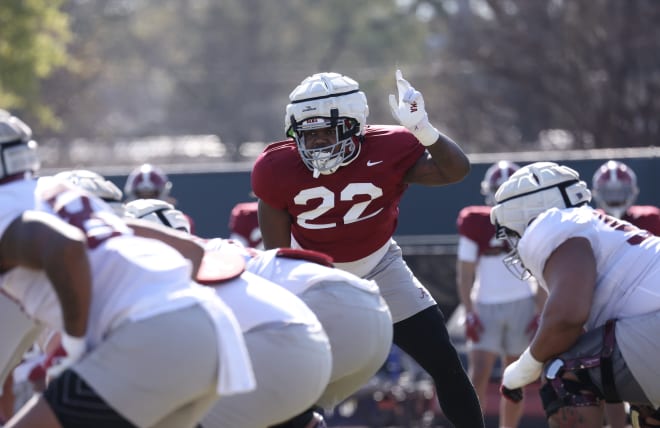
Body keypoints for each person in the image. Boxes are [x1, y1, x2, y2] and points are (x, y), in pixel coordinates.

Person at [252, 69, 485, 427]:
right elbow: (277, 255)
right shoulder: (275, 167)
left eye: (327, 131)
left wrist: (423, 129)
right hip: (314, 273)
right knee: (294, 372)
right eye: (308, 134)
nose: (316, 144)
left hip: (379, 266)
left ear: (355, 124)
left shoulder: (390, 147)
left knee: (444, 360)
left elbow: (456, 171)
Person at [0, 110, 255, 428]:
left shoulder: (6, 209)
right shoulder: (57, 192)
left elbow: (67, 247)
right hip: (210, 326)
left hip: (147, 333)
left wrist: (76, 344)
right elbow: (189, 249)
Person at [126, 198, 394, 428]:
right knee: (282, 414)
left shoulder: (167, 264)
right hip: (373, 314)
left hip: (316, 311)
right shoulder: (217, 249)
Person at [490, 161, 660, 428]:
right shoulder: (593, 226)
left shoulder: (552, 224)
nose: (513, 241)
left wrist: (525, 367)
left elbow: (568, 317)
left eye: (510, 232)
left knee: (561, 368)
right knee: (644, 406)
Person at [456, 160, 545, 428]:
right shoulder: (476, 222)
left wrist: (540, 310)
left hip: (522, 304)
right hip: (486, 304)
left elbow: (541, 269)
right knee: (479, 373)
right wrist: (470, 311)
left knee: (515, 377)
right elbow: (464, 272)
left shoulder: (533, 221)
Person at [592, 159, 660, 428]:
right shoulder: (591, 221)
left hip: (645, 309)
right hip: (607, 306)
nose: (614, 198)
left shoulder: (650, 218)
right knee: (605, 370)